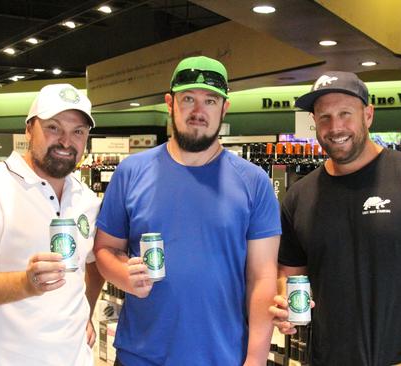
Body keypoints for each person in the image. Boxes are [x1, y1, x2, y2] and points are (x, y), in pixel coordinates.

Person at [270, 71, 401, 365]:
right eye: (324, 117)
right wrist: (283, 304)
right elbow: (289, 275)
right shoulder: (299, 196)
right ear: (314, 121)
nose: (335, 126)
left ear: (368, 115)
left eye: (345, 114)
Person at [93, 56, 281, 366]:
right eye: (188, 99)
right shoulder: (131, 172)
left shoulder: (254, 182)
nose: (198, 110)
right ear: (170, 103)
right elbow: (105, 249)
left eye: (210, 100)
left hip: (222, 356)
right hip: (140, 356)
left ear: (224, 108)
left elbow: (262, 278)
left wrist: (256, 359)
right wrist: (122, 274)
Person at [0, 83, 104, 366]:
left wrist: (85, 313)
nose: (66, 141)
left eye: (78, 131)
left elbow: (92, 260)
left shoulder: (86, 199)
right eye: (54, 128)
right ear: (29, 129)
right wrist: (25, 284)